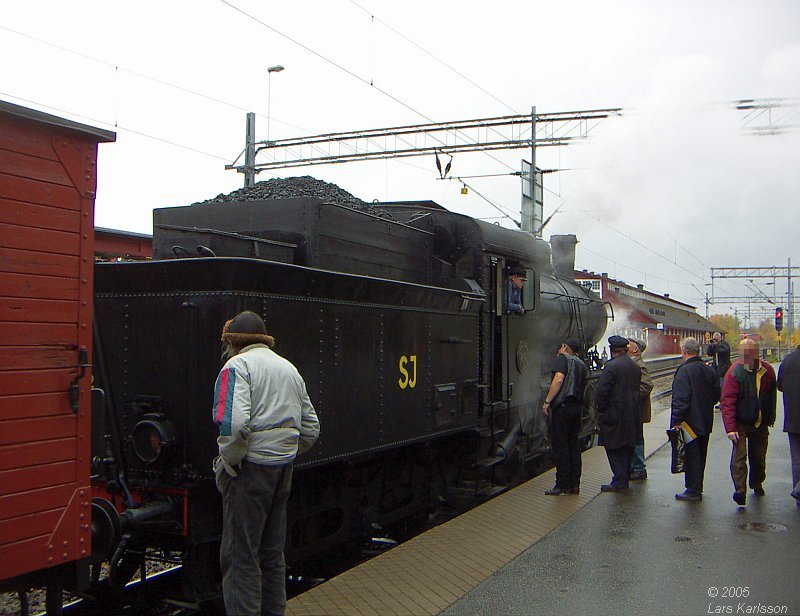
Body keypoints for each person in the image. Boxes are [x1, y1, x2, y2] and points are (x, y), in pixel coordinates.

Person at [212, 310, 320, 616]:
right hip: (282, 469)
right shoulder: (288, 368)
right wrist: (284, 451)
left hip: (249, 470)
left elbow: (232, 425)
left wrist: (229, 463)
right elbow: (311, 428)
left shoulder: (237, 366)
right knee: (273, 555)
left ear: (232, 342)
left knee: (241, 556)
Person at [720, 337, 776, 507]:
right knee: (739, 456)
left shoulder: (767, 371)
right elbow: (727, 401)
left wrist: (770, 418)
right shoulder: (735, 372)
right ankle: (740, 490)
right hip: (741, 422)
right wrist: (730, 428)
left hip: (760, 422)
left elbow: (771, 397)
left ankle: (757, 482)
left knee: (759, 456)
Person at [670, 337, 721, 501]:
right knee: (701, 454)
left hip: (688, 422)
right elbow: (716, 395)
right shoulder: (708, 369)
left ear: (684, 351)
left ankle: (692, 490)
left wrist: (676, 420)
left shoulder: (684, 371)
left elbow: (681, 399)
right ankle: (697, 486)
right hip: (705, 420)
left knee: (691, 456)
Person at [542, 337, 590, 496]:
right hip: (576, 409)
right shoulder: (582, 364)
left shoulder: (563, 359)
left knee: (560, 446)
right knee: (573, 446)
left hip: (562, 408)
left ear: (565, 347)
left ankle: (562, 485)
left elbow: (559, 379)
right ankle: (574, 485)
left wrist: (547, 401)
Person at [595, 335, 641, 492]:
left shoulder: (611, 367)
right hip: (632, 412)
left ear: (612, 350)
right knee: (628, 445)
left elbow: (602, 392)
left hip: (614, 413)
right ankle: (624, 476)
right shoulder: (635, 366)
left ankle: (619, 480)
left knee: (613, 447)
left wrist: (600, 410)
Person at [627, 338, 653, 481]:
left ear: (635, 349)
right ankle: (636, 467)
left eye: (629, 344)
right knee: (635, 437)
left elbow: (647, 385)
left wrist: (632, 398)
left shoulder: (638, 365)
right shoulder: (634, 363)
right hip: (636, 409)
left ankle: (638, 468)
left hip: (637, 410)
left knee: (636, 438)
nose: (626, 345)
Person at [777, 345, 800, 505]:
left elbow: (779, 385)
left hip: (793, 418)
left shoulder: (788, 360)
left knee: (797, 458)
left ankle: (798, 492)